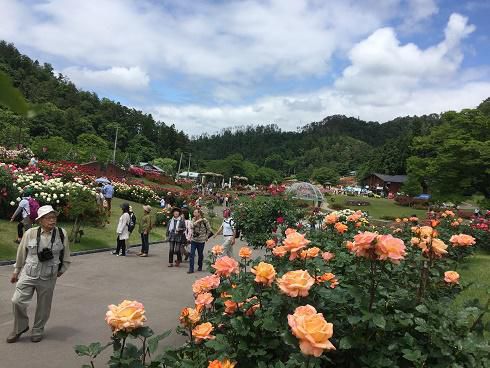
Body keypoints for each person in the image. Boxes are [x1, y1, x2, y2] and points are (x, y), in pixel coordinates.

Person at [7, 205, 71, 343]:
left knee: (44, 306)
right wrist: (16, 271)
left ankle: (38, 330)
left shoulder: (61, 233)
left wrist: (61, 270)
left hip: (49, 275)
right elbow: (21, 253)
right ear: (40, 220)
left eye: (54, 217)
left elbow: (66, 255)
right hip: (28, 274)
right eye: (48, 218)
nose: (52, 221)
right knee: (17, 301)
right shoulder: (30, 233)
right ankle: (20, 327)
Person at [188, 208, 211, 274]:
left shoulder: (205, 221)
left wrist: (206, 236)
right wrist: (197, 221)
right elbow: (191, 226)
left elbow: (209, 229)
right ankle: (191, 269)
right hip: (194, 240)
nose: (194, 214)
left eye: (195, 212)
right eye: (194, 212)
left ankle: (200, 266)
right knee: (192, 254)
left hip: (201, 241)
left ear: (199, 213)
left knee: (200, 254)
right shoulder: (193, 219)